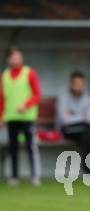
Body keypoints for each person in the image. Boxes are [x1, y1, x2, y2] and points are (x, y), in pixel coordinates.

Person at [0, 47, 42, 186]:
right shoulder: (4, 76)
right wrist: (1, 116)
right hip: (11, 117)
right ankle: (14, 176)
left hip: (27, 117)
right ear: (8, 59)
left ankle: (35, 175)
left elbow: (37, 94)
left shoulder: (29, 73)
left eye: (19, 56)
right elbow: (2, 98)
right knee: (13, 147)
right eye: (14, 57)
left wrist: (26, 104)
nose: (17, 59)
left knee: (31, 146)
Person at [57, 71, 90, 174]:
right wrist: (82, 116)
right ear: (71, 84)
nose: (78, 86)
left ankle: (87, 167)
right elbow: (64, 119)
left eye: (81, 84)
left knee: (86, 133)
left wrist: (72, 115)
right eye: (76, 84)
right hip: (67, 130)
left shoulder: (87, 98)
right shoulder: (64, 97)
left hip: (83, 130)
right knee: (87, 131)